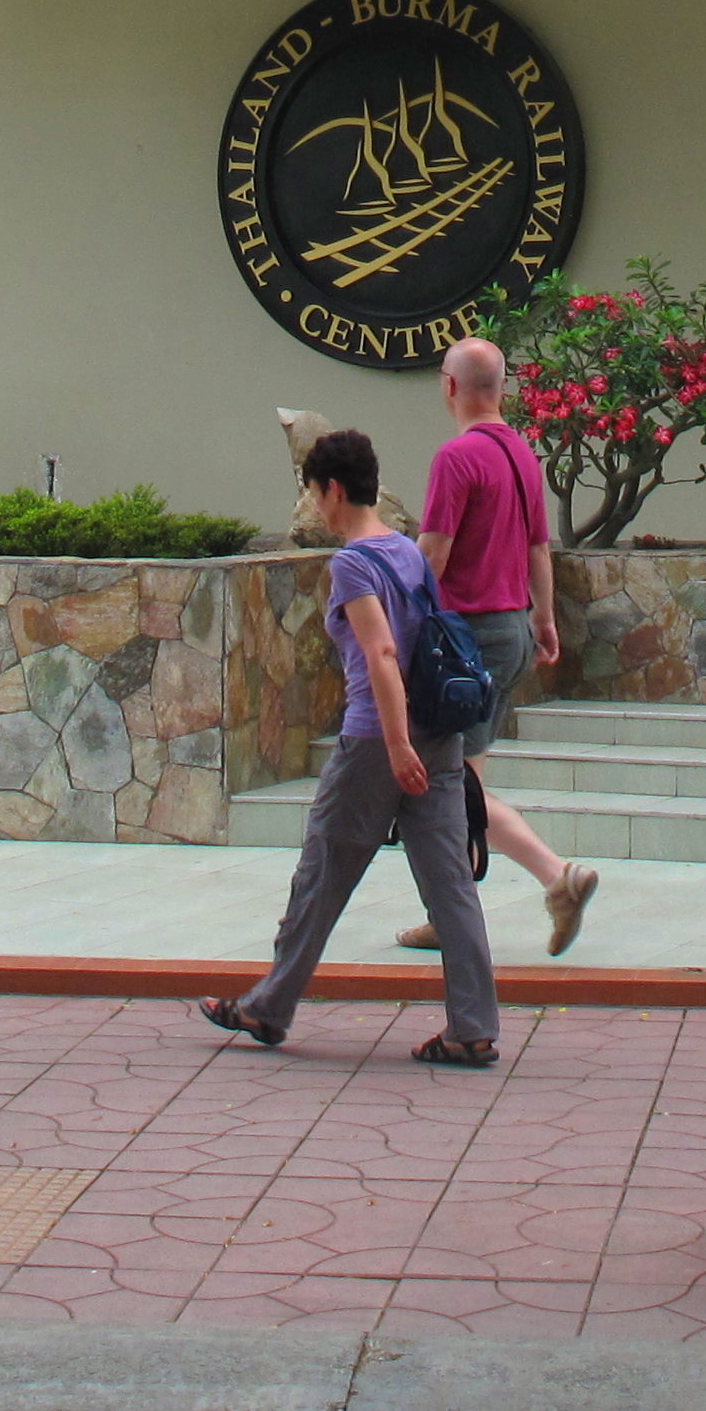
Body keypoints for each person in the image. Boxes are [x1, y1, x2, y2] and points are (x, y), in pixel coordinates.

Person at [200, 428, 497, 1067]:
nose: (312, 506)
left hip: (375, 740)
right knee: (450, 885)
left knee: (323, 872)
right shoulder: (408, 553)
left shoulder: (355, 564)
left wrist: (393, 746)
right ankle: (472, 1027)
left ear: (333, 489)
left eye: (312, 492)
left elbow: (382, 652)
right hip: (441, 735)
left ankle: (268, 1006)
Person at [396, 334, 599, 958]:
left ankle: (549, 877)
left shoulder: (456, 458)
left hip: (462, 643)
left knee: (444, 785)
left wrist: (394, 613)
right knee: (458, 780)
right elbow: (539, 548)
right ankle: (458, 908)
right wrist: (544, 622)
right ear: (502, 388)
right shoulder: (521, 455)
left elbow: (435, 551)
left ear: (450, 386)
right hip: (509, 631)